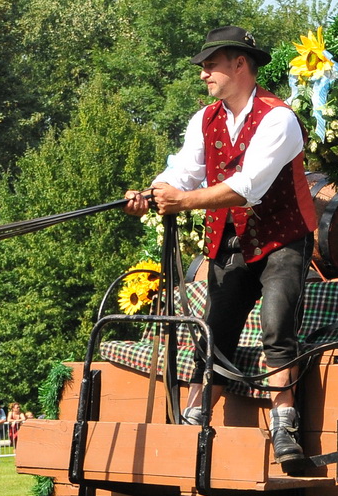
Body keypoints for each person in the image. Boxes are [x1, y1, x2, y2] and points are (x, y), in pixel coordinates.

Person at [124, 25, 319, 468]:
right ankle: (193, 420)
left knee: (276, 327)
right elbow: (183, 171)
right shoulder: (204, 119)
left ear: (240, 64)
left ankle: (284, 425)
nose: (203, 74)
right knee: (213, 330)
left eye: (210, 65)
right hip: (229, 242)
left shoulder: (278, 118)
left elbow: (248, 187)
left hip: (282, 239)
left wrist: (182, 201)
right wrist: (151, 193)